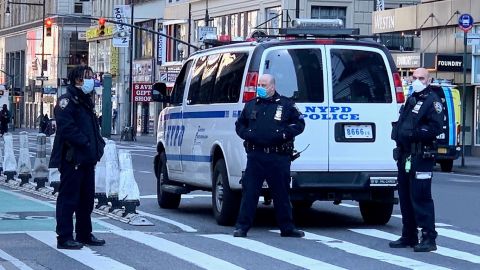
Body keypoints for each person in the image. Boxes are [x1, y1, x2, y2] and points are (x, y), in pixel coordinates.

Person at [233, 74, 305, 238]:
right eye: (259, 84)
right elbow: (240, 124)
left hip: (278, 157)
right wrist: (247, 134)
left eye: (264, 85)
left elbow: (299, 123)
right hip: (256, 156)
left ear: (272, 86)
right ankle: (242, 227)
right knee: (250, 193)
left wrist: (284, 134)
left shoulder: (286, 105)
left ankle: (287, 228)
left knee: (281, 194)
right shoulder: (251, 105)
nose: (260, 87)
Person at [50, 65, 106, 250]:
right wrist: (86, 142)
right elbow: (66, 128)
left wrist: (98, 145)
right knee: (68, 198)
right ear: (77, 80)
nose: (91, 80)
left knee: (86, 199)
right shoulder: (67, 101)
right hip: (72, 158)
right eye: (87, 77)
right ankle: (64, 237)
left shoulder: (85, 100)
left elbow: (92, 128)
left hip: (87, 159)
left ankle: (84, 233)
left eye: (91, 76)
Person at [390, 68, 444, 252]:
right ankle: (409, 235)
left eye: (421, 78)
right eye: (414, 78)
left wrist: (415, 134)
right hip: (406, 155)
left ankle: (429, 238)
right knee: (405, 196)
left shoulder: (433, 101)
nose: (417, 81)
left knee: (421, 197)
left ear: (429, 80)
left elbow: (436, 128)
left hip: (421, 156)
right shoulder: (411, 98)